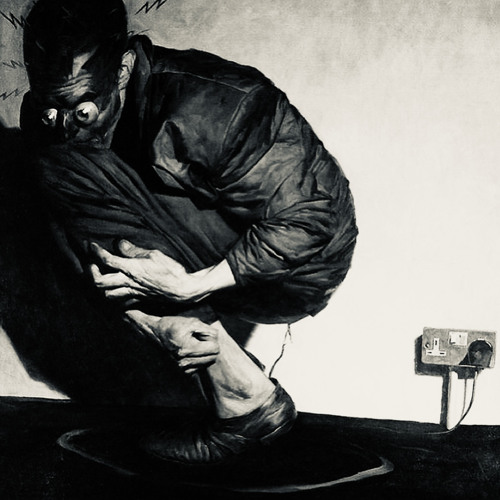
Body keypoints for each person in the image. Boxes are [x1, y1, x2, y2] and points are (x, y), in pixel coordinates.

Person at [19, 0, 357, 464]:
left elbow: (312, 220)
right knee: (54, 162)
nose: (63, 123)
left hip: (300, 266)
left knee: (63, 163)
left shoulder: (210, 106)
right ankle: (223, 372)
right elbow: (79, 213)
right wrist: (156, 322)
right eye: (48, 107)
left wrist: (191, 287)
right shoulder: (55, 117)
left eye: (81, 109)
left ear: (122, 70)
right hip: (217, 258)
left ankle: (244, 402)